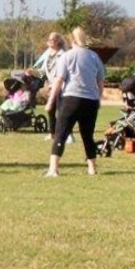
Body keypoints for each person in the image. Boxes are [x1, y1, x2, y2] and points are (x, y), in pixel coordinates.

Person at [44, 27, 105, 177]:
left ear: (72, 40)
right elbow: (100, 80)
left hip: (71, 98)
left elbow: (59, 80)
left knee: (61, 134)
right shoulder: (94, 57)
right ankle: (92, 168)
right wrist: (99, 97)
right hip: (90, 100)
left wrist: (51, 100)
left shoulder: (67, 56)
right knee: (87, 135)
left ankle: (53, 168)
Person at [32, 32, 66, 141]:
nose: (50, 41)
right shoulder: (47, 55)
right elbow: (42, 72)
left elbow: (64, 72)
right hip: (52, 86)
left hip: (62, 86)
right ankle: (53, 134)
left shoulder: (63, 54)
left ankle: (64, 134)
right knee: (51, 110)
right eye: (49, 39)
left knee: (61, 111)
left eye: (53, 39)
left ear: (58, 41)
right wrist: (33, 72)